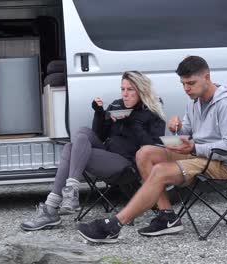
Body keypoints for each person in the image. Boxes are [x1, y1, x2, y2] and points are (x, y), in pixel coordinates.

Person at [77, 56, 227, 243]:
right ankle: (168, 217)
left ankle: (114, 225)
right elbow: (187, 132)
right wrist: (178, 128)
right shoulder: (194, 101)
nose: (186, 89)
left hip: (223, 163)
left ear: (206, 77)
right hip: (199, 154)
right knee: (145, 153)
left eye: (190, 83)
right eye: (183, 83)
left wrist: (196, 147)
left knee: (160, 171)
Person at [21, 71, 166, 231]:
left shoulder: (152, 112)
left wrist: (134, 123)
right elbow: (99, 135)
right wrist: (99, 113)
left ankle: (51, 209)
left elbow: (153, 147)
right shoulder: (117, 105)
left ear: (141, 90)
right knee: (79, 137)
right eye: (122, 89)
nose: (125, 94)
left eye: (130, 90)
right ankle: (71, 191)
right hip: (107, 155)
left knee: (72, 149)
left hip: (127, 164)